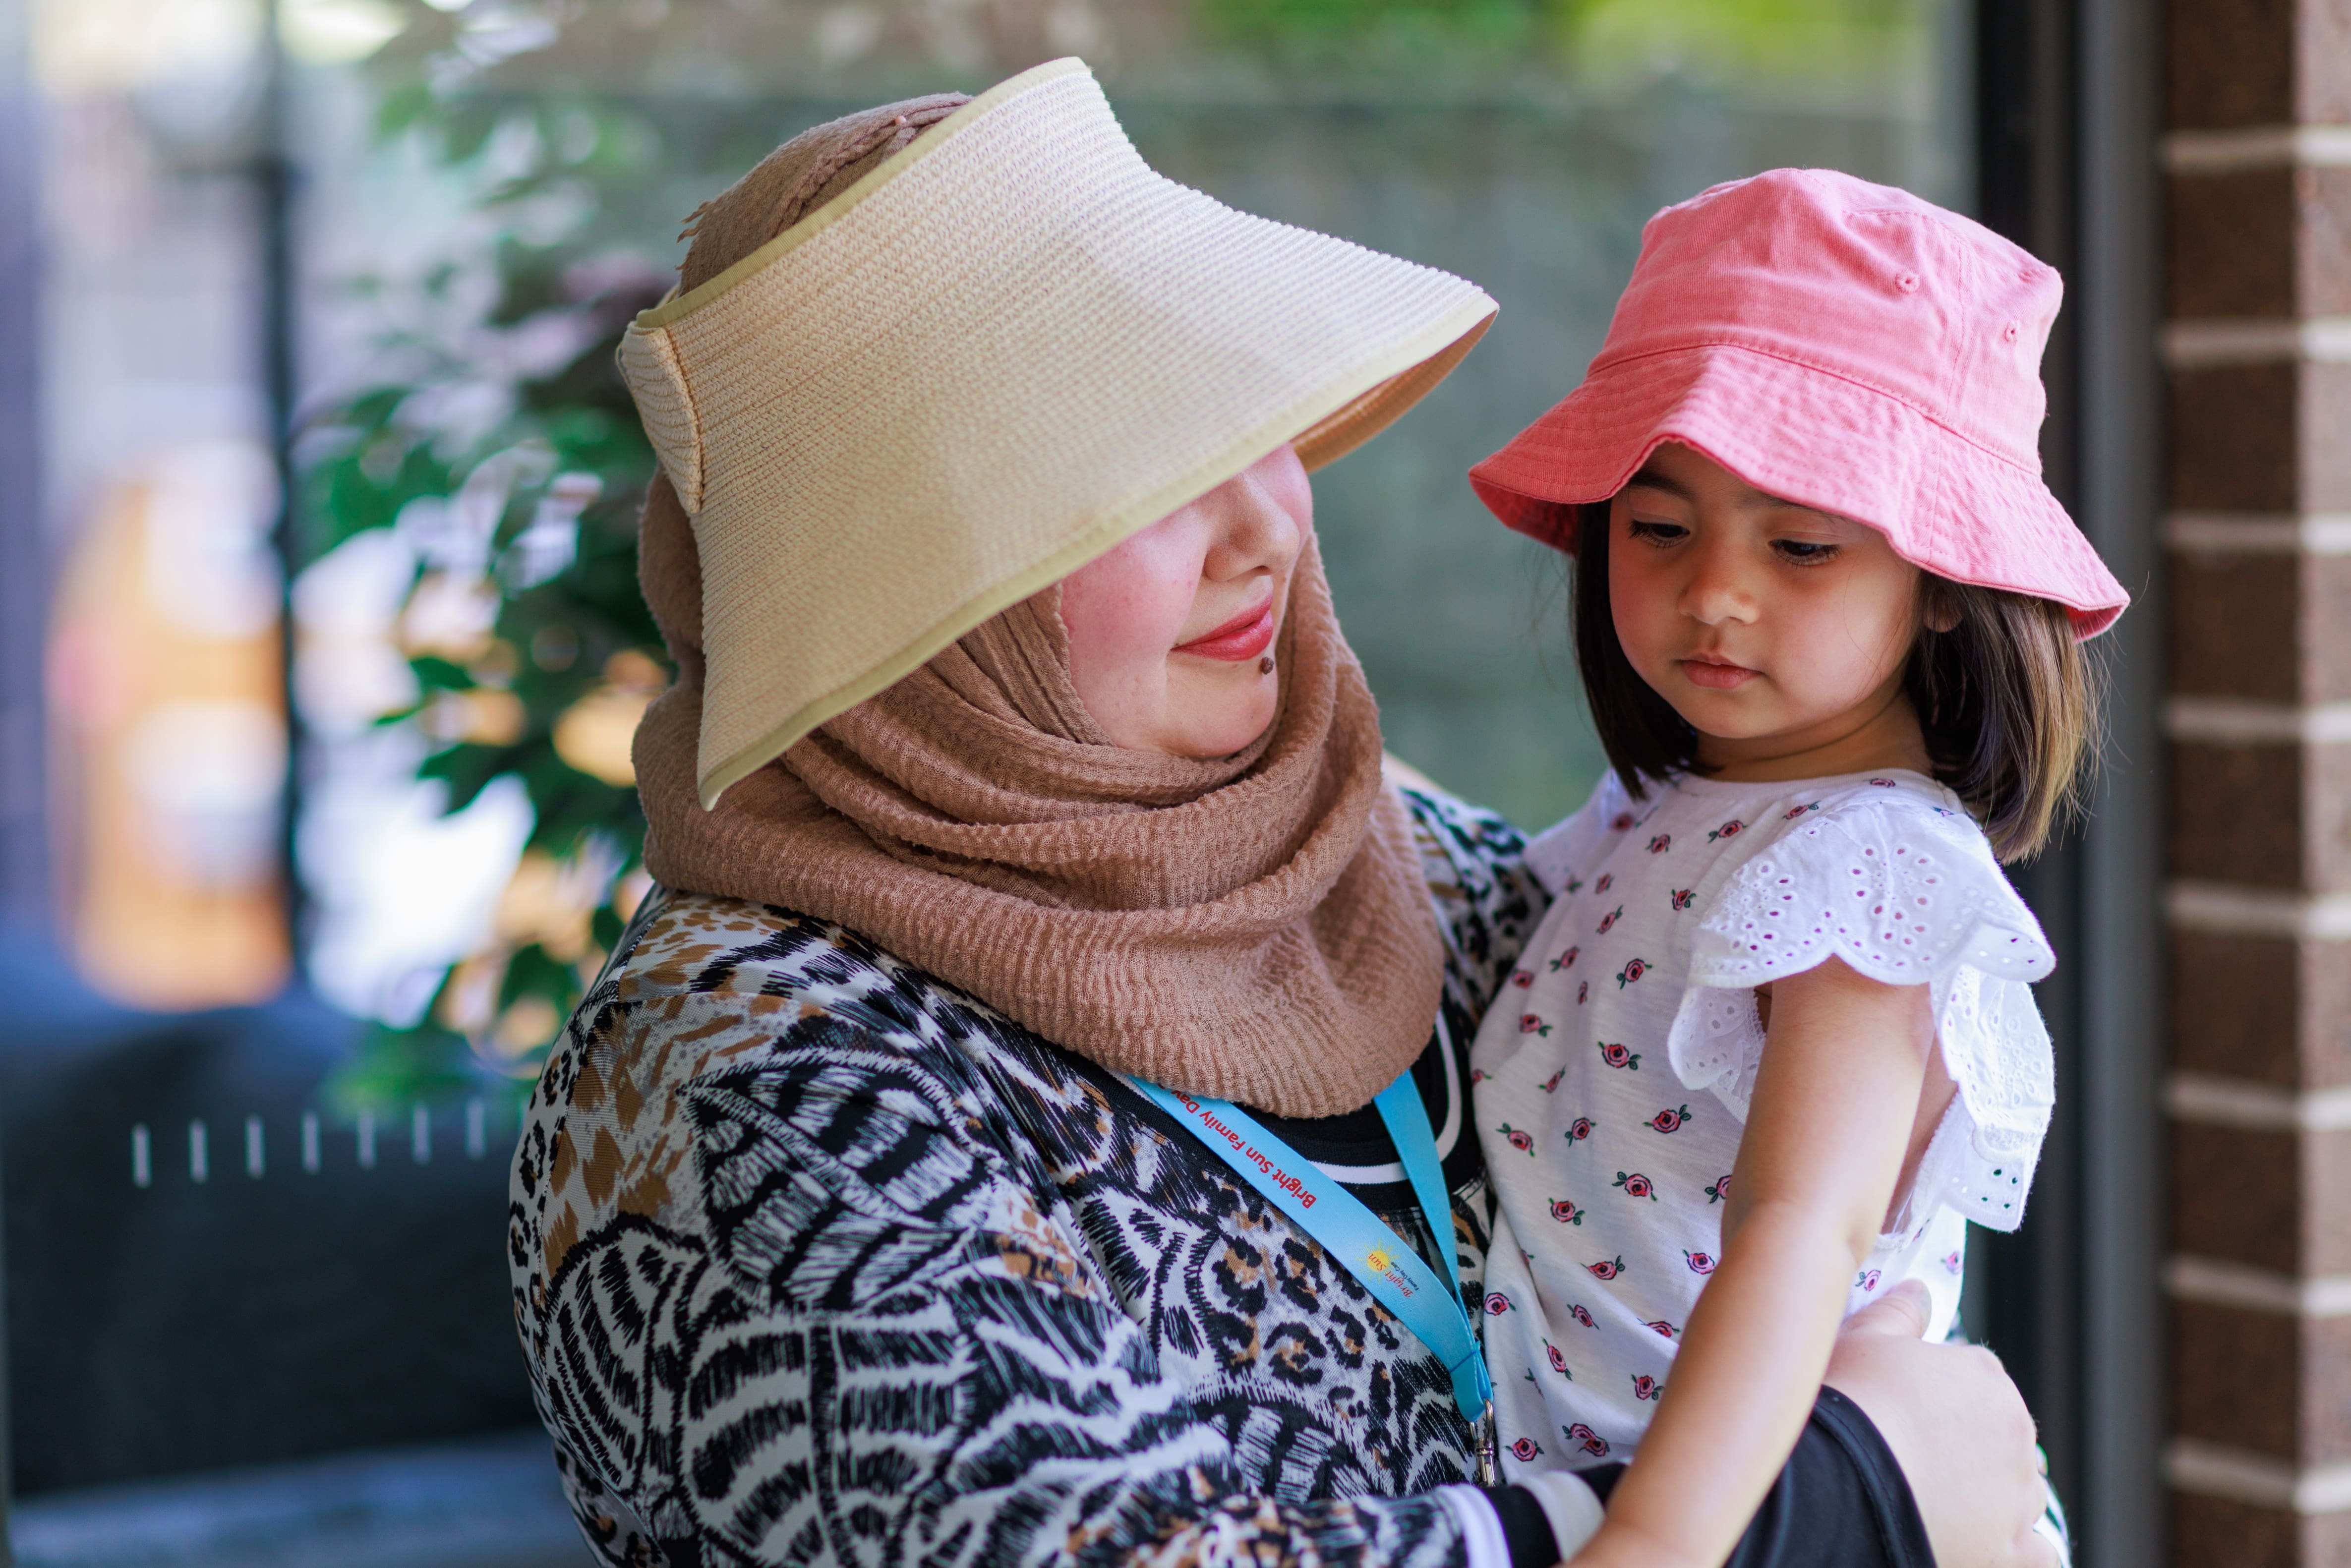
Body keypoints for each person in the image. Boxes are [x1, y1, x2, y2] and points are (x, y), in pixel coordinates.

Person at [508, 66, 2059, 1568]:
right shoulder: (755, 1071)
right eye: (1141, 481)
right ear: (895, 584)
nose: (1264, 528)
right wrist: (1844, 1498)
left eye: (1259, 421)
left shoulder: (1399, 871)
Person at [1461, 169, 2131, 1568]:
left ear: (1944, 580)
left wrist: (1653, 1539)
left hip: (1757, 1520)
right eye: (1660, 527)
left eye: (1804, 543)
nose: (1716, 591)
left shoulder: (1864, 869)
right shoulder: (1667, 811)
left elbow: (1802, 1227)